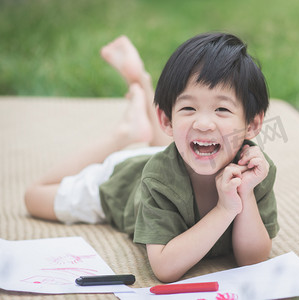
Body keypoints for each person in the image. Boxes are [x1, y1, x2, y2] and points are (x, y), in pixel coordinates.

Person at [24, 33, 279, 283]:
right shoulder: (157, 178)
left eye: (222, 109)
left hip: (181, 154)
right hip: (123, 179)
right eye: (188, 108)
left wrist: (244, 195)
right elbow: (165, 268)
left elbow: (252, 259)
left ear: (253, 123)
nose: (203, 123)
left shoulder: (253, 169)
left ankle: (143, 85)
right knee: (34, 197)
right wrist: (225, 210)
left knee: (179, 147)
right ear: (166, 120)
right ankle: (123, 135)